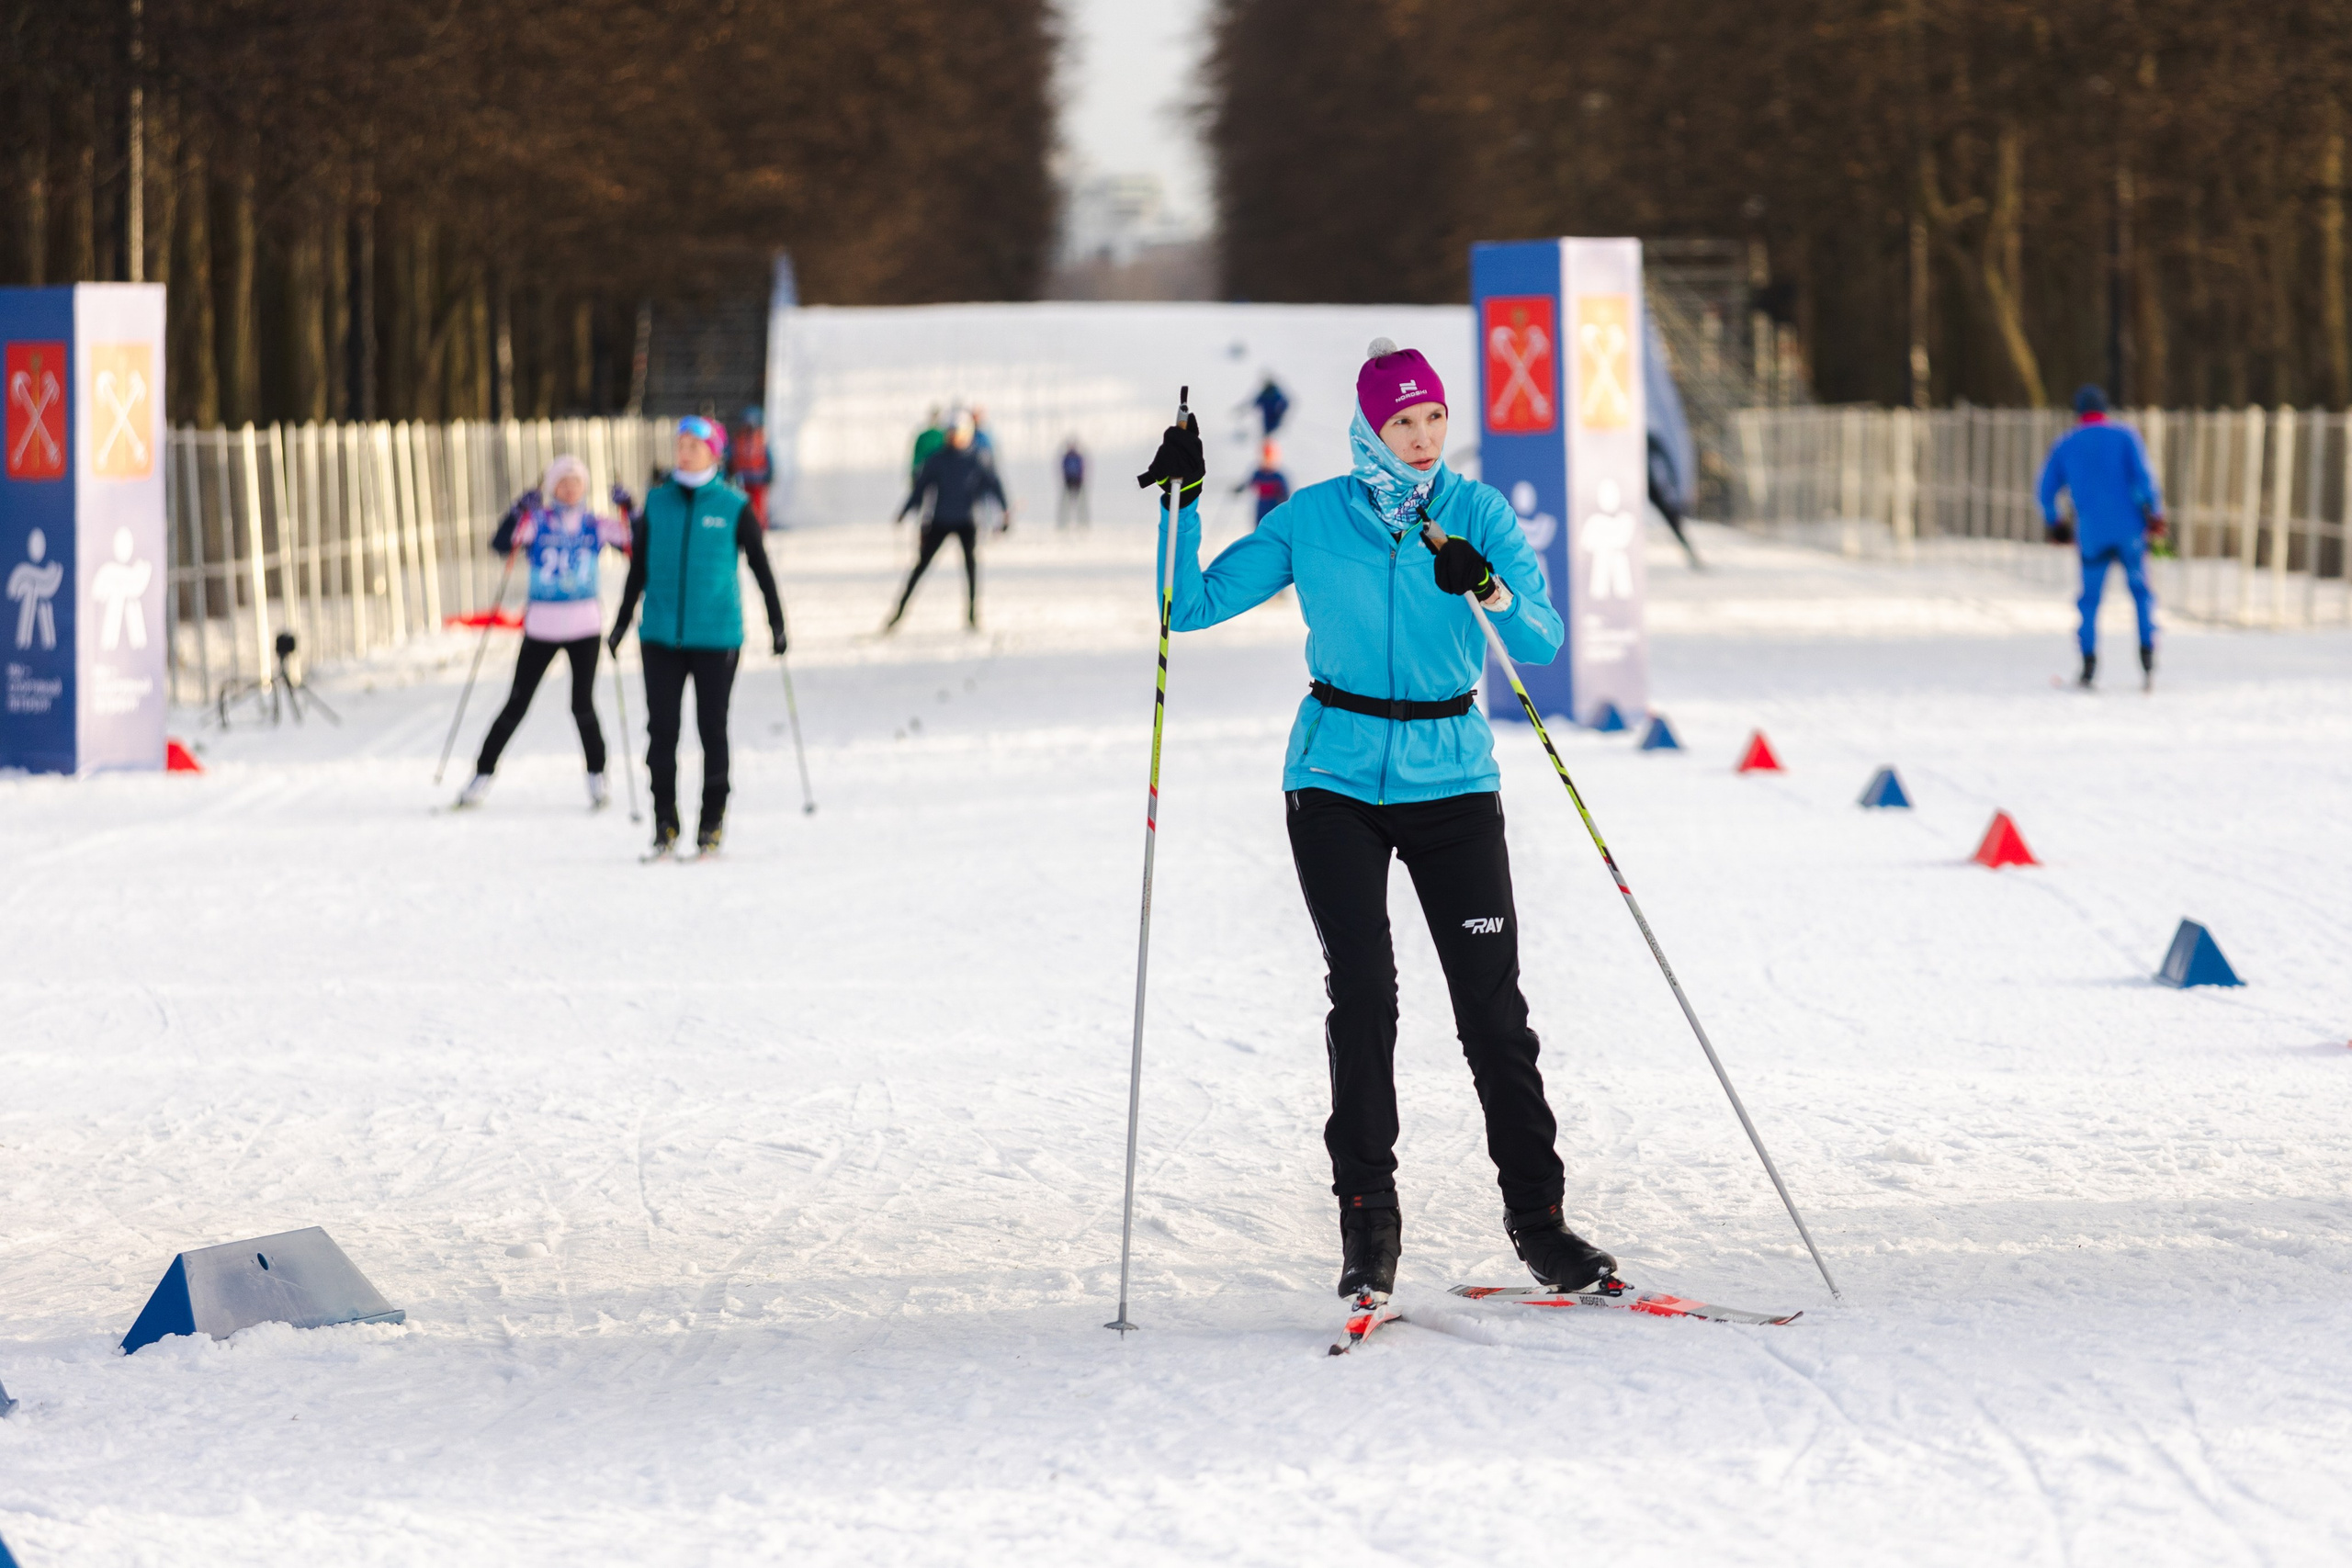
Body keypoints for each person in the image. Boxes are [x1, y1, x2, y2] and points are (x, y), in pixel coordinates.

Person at [1138, 337, 1616, 1310]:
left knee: (1493, 1013)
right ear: (1368, 426)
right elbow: (1184, 608)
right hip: (1336, 779)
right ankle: (1368, 1226)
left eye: (1436, 418)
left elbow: (1542, 638)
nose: (1424, 438)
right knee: (1364, 998)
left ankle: (1542, 1224)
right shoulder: (1311, 520)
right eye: (1404, 422)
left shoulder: (1474, 512)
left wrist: (1485, 585)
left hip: (1452, 780)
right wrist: (1180, 506)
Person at [609, 416, 787, 858]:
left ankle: (712, 823)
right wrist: (620, 623)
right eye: (680, 444)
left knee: (712, 728)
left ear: (715, 451)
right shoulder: (657, 503)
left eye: (694, 444)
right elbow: (638, 569)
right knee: (662, 731)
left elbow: (761, 567)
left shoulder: (733, 505)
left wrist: (777, 622)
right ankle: (664, 824)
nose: (684, 451)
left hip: (717, 636)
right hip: (660, 636)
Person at [454, 457, 634, 811]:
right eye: (562, 483)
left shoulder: (594, 524)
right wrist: (516, 510)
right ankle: (481, 775)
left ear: (584, 487)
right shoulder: (537, 522)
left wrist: (632, 509)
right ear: (552, 488)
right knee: (517, 702)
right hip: (542, 626)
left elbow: (636, 543)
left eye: (576, 482)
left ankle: (598, 777)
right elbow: (502, 543)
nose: (569, 489)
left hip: (584, 626)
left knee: (582, 703)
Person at [2037, 384, 2165, 689]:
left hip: (2092, 532)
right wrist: (2155, 514)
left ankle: (2088, 664)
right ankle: (2147, 660)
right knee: (2141, 593)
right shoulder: (2125, 437)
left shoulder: (2066, 444)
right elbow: (2145, 479)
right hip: (2130, 530)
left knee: (2090, 600)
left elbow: (2044, 490)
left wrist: (2056, 522)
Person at [886, 417, 1007, 631]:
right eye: (950, 433)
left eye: (958, 432)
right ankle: (898, 614)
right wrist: (904, 512)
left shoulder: (978, 458)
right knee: (919, 568)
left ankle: (972, 616)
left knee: (971, 569)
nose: (954, 437)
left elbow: (993, 485)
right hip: (940, 520)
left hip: (967, 522)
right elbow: (920, 490)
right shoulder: (937, 459)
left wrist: (1004, 511)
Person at [730, 406, 774, 528]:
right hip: (742, 480)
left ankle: (759, 526)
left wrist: (768, 476)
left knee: (758, 507)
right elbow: (732, 456)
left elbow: (768, 459)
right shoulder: (738, 440)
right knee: (742, 504)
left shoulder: (761, 440)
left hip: (758, 482)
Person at [1234, 440, 1290, 527]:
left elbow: (1285, 493)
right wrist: (1238, 490)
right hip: (1261, 505)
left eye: (1269, 459)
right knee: (1260, 525)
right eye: (1265, 458)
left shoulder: (1277, 476)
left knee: (1272, 526)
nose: (1267, 462)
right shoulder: (1258, 474)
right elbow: (1249, 483)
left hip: (1273, 506)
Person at [910, 407, 946, 487]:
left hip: (939, 473)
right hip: (925, 471)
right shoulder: (924, 436)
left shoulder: (944, 436)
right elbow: (917, 456)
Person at [1057, 438, 1089, 527]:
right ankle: (1063, 523)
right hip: (1069, 481)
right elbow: (1064, 469)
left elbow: (1081, 469)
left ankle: (1083, 523)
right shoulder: (1067, 458)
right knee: (1065, 503)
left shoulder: (1077, 457)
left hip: (1077, 482)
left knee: (1081, 504)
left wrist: (1080, 479)